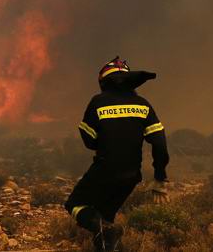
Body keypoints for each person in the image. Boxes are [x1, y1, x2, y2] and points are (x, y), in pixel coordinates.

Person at [64, 56, 170, 252]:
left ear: (104, 81)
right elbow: (160, 143)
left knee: (75, 204)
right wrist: (160, 178)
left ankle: (102, 229)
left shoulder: (98, 102)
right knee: (106, 218)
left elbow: (89, 140)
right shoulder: (143, 105)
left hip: (104, 170)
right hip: (130, 176)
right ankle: (107, 238)